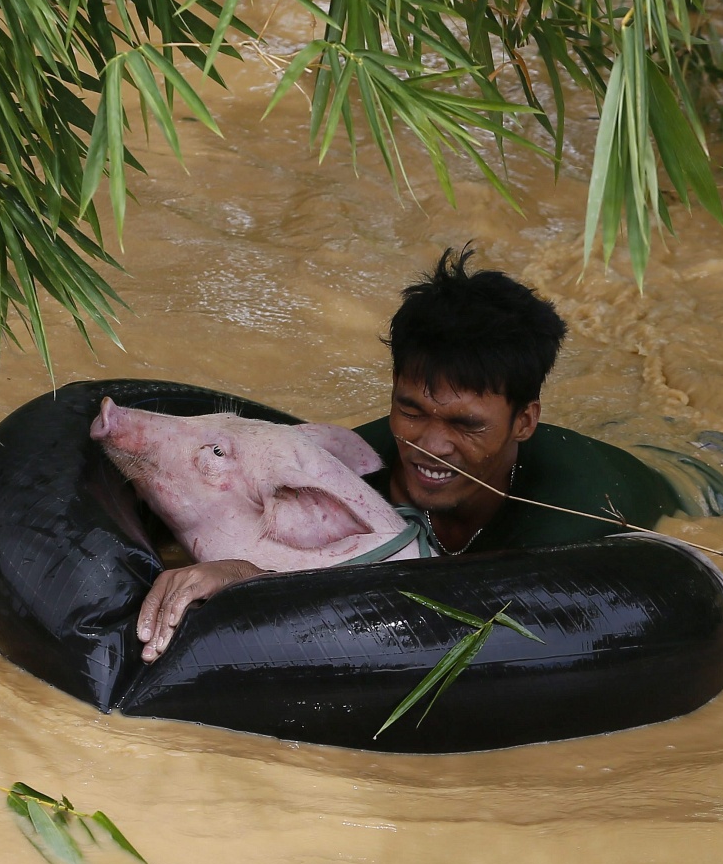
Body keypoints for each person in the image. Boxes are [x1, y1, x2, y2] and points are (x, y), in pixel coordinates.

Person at [135, 245, 678, 660]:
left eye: (466, 424)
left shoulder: (573, 510)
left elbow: (468, 617)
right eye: (411, 410)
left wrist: (260, 584)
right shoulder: (355, 469)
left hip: (701, 480)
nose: (430, 445)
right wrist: (231, 572)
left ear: (524, 421)